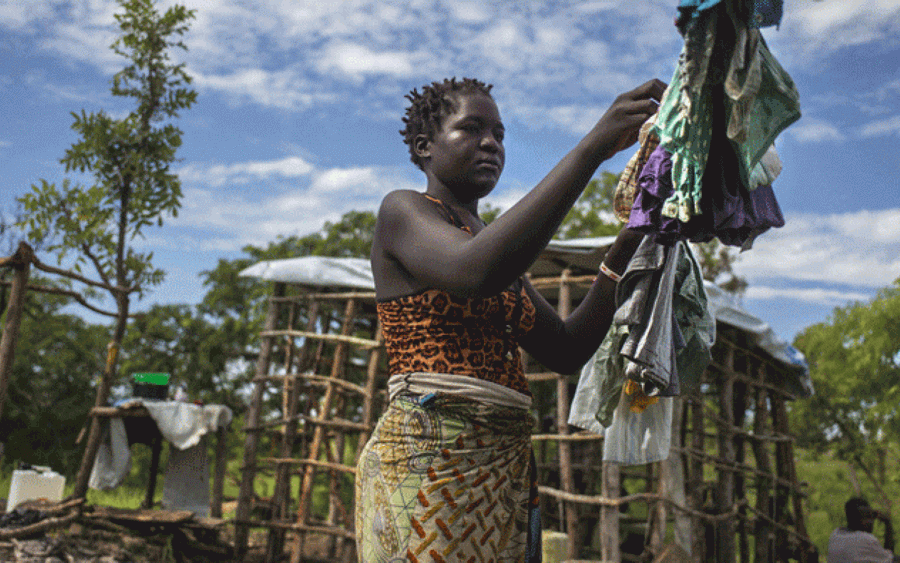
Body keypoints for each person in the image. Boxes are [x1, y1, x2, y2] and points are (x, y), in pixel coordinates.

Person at [355, 76, 666, 563]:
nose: (490, 143)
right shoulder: (404, 211)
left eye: (498, 134)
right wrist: (591, 151)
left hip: (502, 471)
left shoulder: (493, 250)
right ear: (424, 146)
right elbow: (473, 271)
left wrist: (623, 249)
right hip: (427, 466)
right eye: (471, 129)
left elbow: (565, 349)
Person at [828, 497, 900, 563]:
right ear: (854, 519)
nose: (872, 521)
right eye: (867, 517)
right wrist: (887, 523)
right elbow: (891, 559)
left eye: (872, 517)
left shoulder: (835, 534)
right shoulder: (865, 539)